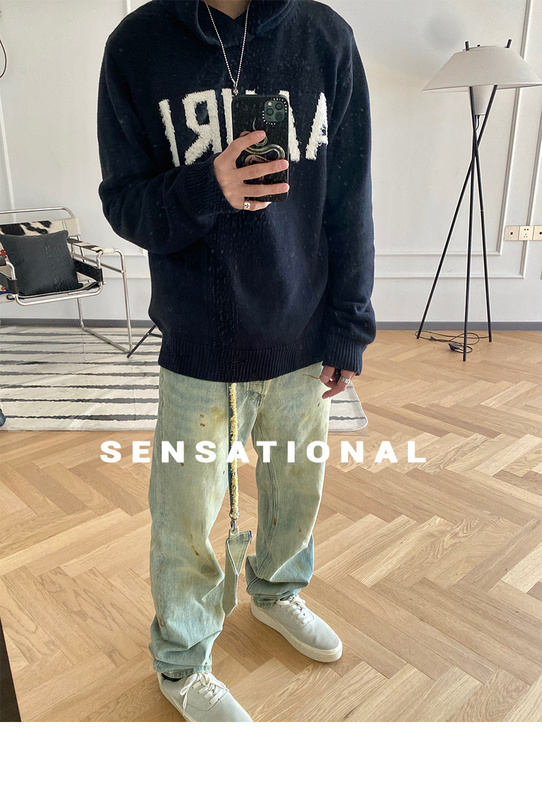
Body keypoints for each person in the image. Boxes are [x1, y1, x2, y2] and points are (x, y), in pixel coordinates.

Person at [97, 0, 376, 722]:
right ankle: (182, 661)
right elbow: (124, 205)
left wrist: (348, 324)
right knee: (185, 519)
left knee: (297, 489)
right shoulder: (137, 45)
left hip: (301, 335)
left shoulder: (325, 38)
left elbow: (350, 196)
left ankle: (278, 591)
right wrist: (206, 187)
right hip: (199, 339)